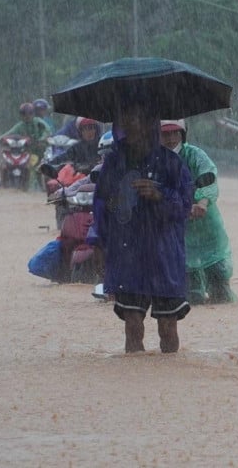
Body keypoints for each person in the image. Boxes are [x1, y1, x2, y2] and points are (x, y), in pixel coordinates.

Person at [92, 103, 195, 353]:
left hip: (164, 254)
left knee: (168, 327)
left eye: (135, 119)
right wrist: (97, 243)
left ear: (149, 124)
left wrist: (160, 195)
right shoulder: (114, 164)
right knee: (133, 326)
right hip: (128, 254)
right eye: (124, 119)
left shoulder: (172, 163)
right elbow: (101, 206)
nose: (129, 125)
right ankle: (134, 382)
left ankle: (168, 385)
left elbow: (184, 206)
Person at [159, 119, 236, 305]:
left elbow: (209, 179)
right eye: (165, 134)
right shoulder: (153, 161)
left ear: (182, 134)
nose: (170, 139)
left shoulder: (195, 155)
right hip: (178, 231)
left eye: (174, 133)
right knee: (190, 293)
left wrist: (201, 202)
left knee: (219, 284)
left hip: (207, 227)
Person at [0, 102, 52, 189]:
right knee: (4, 165)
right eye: (23, 113)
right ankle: (4, 184)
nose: (27, 116)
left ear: (33, 113)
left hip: (42, 153)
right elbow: (9, 133)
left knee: (38, 169)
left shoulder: (38, 122)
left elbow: (47, 130)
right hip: (27, 153)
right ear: (20, 115)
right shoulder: (20, 126)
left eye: (30, 113)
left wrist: (42, 138)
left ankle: (38, 188)